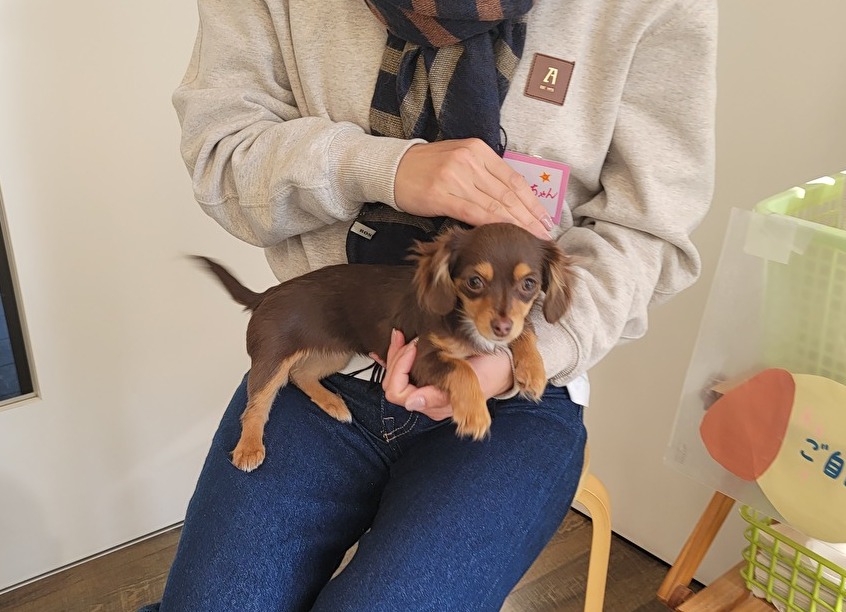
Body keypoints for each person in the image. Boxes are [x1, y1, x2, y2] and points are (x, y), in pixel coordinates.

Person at [146, 0, 716, 609]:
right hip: (336, 354)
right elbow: (221, 154)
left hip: (519, 393)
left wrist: (519, 355)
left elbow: (649, 232)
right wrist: (383, 168)